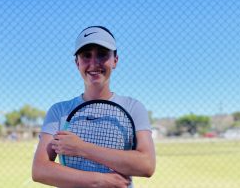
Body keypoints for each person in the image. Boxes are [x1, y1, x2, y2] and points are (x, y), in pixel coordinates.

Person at [32, 26, 156, 188]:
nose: (94, 63)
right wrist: (99, 180)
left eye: (102, 54)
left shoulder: (133, 107)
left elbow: (146, 165)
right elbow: (40, 170)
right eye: (86, 55)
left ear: (115, 61)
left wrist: (82, 148)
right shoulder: (59, 111)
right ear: (77, 63)